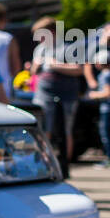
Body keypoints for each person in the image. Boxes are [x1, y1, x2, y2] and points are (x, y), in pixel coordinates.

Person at [29, 15, 83, 168]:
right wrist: (35, 66)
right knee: (43, 128)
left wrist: (57, 66)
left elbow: (79, 70)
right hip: (44, 93)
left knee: (66, 129)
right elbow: (34, 72)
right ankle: (43, 164)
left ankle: (64, 164)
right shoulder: (39, 50)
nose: (38, 39)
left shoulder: (68, 48)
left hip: (67, 95)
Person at [86, 52, 110, 167]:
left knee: (106, 134)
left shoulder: (104, 75)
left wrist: (94, 95)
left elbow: (107, 93)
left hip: (107, 108)